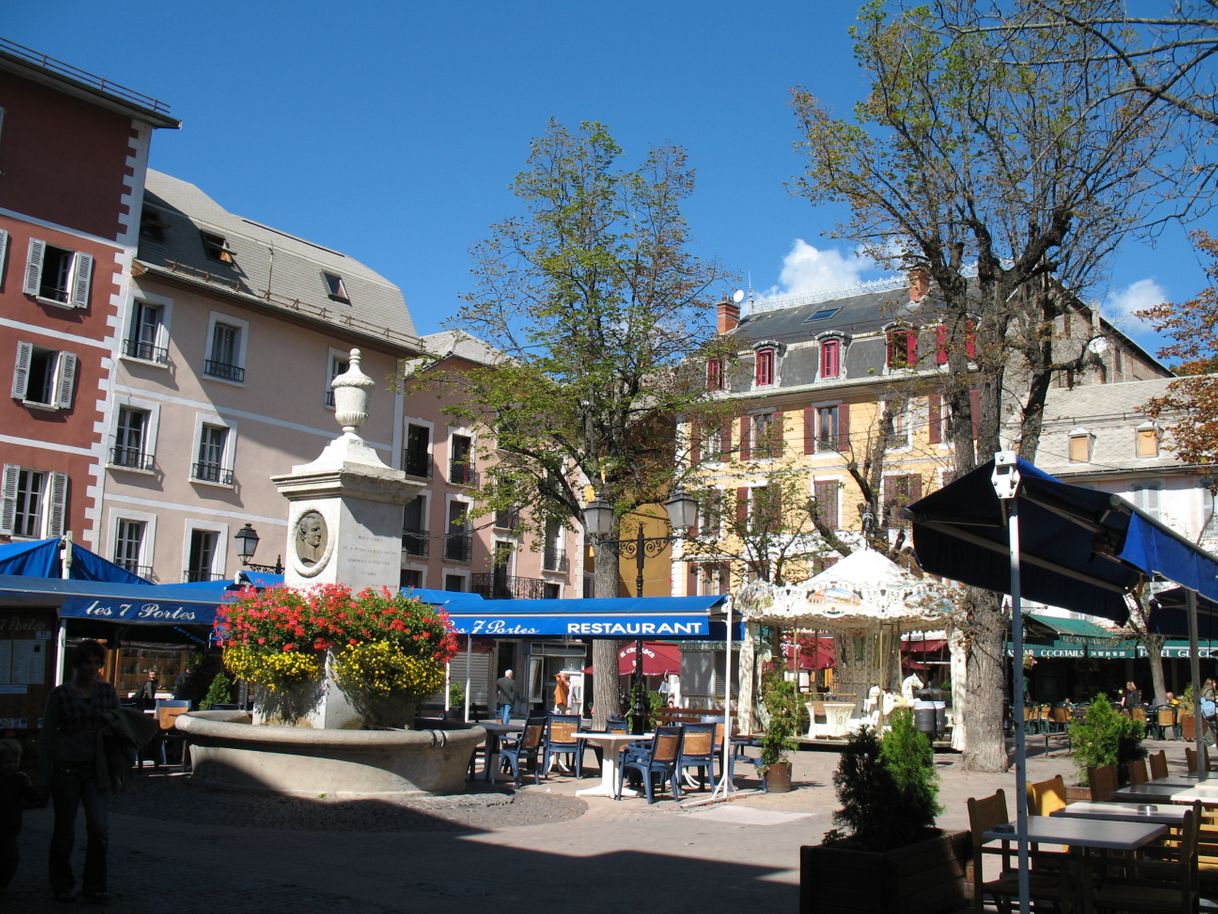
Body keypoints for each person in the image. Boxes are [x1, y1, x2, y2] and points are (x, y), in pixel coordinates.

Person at [38, 639, 120, 903]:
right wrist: (42, 775)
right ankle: (62, 884)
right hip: (66, 768)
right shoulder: (60, 695)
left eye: (97, 663)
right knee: (64, 830)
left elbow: (120, 727)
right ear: (77, 664)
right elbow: (48, 736)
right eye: (88, 662)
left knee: (99, 828)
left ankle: (95, 885)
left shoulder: (107, 693)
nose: (93, 668)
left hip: (97, 769)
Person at [0, 738, 31, 893]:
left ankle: (3, 882)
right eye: (7, 762)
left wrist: (29, 785)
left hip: (11, 828)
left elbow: (32, 799)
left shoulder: (20, 779)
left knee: (11, 858)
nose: (12, 765)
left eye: (14, 761)